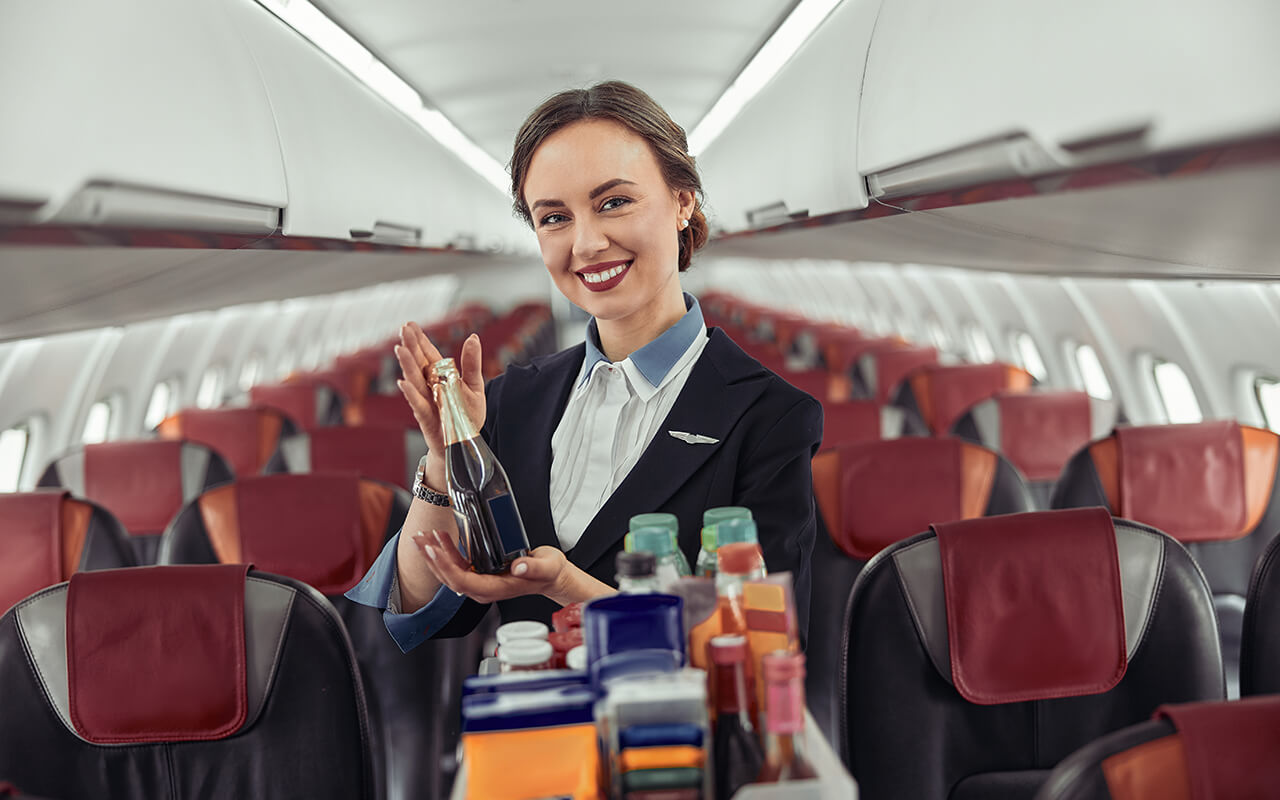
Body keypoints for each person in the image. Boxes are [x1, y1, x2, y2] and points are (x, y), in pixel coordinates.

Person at [346, 81, 822, 651]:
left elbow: (761, 643)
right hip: (532, 721)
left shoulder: (769, 416)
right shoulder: (510, 401)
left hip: (679, 731)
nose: (587, 242)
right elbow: (423, 609)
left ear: (682, 201)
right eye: (554, 218)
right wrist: (446, 462)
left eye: (614, 202)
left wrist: (570, 587)